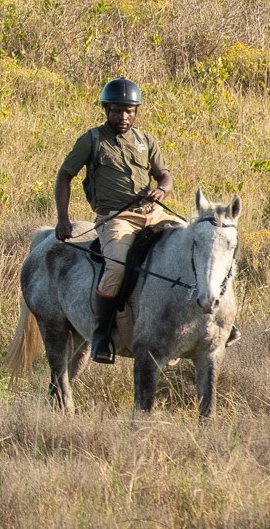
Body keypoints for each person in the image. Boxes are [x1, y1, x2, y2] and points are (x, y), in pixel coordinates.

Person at [54, 77, 183, 364]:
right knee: (116, 267)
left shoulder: (145, 140)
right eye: (116, 110)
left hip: (152, 214)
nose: (123, 117)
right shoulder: (92, 139)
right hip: (116, 219)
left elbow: (165, 176)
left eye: (129, 111)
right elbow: (65, 176)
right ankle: (101, 332)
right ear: (106, 109)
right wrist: (63, 220)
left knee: (191, 244)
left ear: (136, 111)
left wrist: (162, 189)